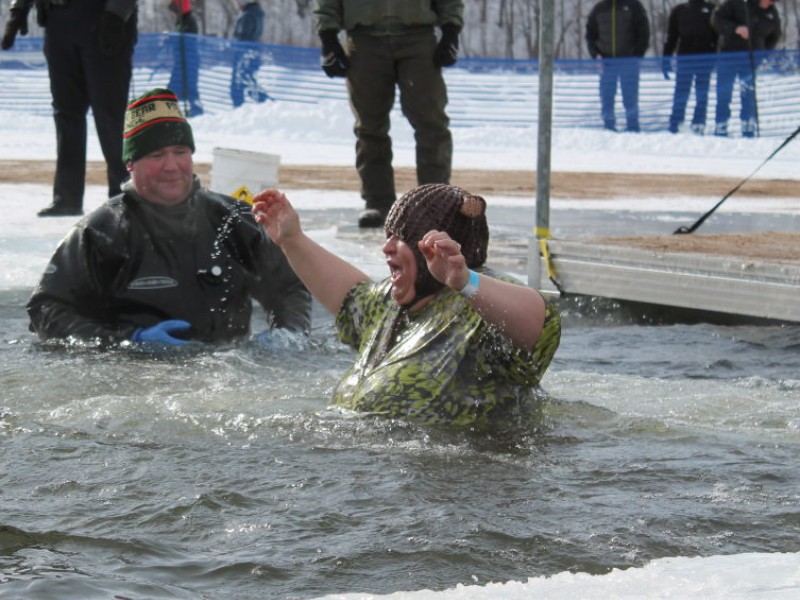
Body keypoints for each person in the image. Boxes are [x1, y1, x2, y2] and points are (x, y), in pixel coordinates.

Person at [252, 183, 562, 432]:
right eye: (388, 235)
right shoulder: (392, 305)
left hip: (458, 487)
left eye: (401, 237)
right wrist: (292, 240)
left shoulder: (481, 308)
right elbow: (350, 298)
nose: (386, 247)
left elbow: (541, 320)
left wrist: (464, 281)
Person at [27, 88, 311, 346]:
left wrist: (287, 335)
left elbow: (289, 287)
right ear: (130, 163)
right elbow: (46, 310)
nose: (171, 166)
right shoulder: (101, 232)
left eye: (180, 152)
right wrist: (126, 342)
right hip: (136, 378)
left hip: (227, 376)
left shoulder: (232, 220)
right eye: (156, 155)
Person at [313, 0, 464, 229]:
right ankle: (378, 203)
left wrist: (451, 29)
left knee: (432, 125)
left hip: (418, 38)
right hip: (364, 40)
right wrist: (328, 35)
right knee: (369, 127)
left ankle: (435, 204)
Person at [1, 0, 137, 217]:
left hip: (102, 17)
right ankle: (67, 198)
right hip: (58, 20)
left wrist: (116, 14)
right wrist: (18, 10)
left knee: (110, 113)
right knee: (66, 113)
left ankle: (123, 195)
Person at [712, 0, 781, 138]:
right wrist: (735, 28)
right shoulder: (737, 3)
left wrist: (763, 54)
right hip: (729, 56)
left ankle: (748, 124)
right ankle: (721, 124)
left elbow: (775, 36)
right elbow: (717, 20)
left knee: (748, 93)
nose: (770, 3)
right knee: (724, 92)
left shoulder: (772, 13)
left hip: (751, 60)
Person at [586, 0, 650, 132]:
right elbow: (590, 35)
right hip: (606, 63)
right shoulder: (599, 8)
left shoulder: (634, 5)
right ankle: (608, 126)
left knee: (630, 97)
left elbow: (644, 32)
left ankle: (632, 126)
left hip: (629, 62)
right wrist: (595, 54)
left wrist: (637, 54)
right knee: (606, 96)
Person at [662, 0, 718, 135]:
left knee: (702, 93)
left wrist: (716, 55)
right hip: (685, 58)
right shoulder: (679, 10)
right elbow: (672, 36)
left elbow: (718, 35)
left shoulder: (712, 9)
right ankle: (676, 122)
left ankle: (699, 123)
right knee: (681, 92)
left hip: (706, 58)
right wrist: (666, 58)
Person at [167, 0, 203, 117]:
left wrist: (173, 39)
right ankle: (169, 112)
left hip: (189, 61)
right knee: (173, 88)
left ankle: (197, 112)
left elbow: (187, 42)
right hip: (181, 61)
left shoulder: (188, 21)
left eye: (174, 11)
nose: (173, 14)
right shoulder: (181, 21)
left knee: (190, 89)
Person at [230, 0, 269, 107]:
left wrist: (233, 46)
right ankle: (268, 106)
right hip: (251, 56)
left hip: (244, 58)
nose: (235, 4)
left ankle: (269, 106)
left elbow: (242, 39)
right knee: (249, 87)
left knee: (240, 88)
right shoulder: (255, 13)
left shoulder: (247, 16)